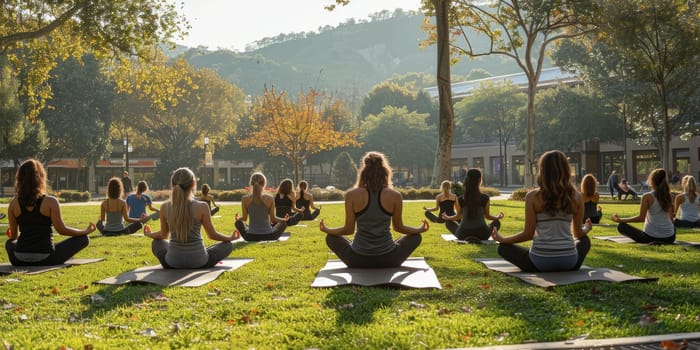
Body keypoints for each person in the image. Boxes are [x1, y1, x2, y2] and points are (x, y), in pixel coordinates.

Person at [320, 151, 429, 268]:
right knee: (416, 237)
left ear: (363, 171)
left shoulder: (351, 195)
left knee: (331, 238)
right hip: (390, 259)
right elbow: (399, 227)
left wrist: (329, 230)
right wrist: (419, 230)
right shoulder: (395, 195)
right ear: (385, 172)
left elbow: (348, 229)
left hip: (357, 260)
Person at [491, 150, 592, 272]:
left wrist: (503, 240)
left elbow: (528, 234)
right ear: (566, 170)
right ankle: (565, 261)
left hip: (539, 262)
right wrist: (586, 228)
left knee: (503, 248)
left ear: (542, 171)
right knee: (585, 241)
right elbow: (578, 234)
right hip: (569, 262)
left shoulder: (532, 197)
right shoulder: (577, 197)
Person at [5, 159, 95, 266]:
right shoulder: (50, 202)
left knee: (9, 243)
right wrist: (84, 232)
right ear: (41, 177)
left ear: (19, 179)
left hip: (19, 259)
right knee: (84, 239)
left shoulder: (13, 204)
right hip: (47, 258)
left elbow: (13, 237)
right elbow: (62, 230)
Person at [144, 168, 238, 268]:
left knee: (156, 243)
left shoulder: (164, 207)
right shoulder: (202, 206)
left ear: (172, 184)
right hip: (200, 261)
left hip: (172, 262)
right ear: (193, 183)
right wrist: (230, 238)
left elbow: (163, 235)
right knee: (227, 245)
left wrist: (150, 234)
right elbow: (212, 235)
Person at [612, 168, 675, 244]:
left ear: (651, 181)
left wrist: (621, 220)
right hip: (670, 238)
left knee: (621, 226)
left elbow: (641, 218)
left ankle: (657, 240)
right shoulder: (669, 196)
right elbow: (671, 220)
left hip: (649, 238)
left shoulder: (647, 196)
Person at [442, 169, 504, 242]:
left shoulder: (461, 199)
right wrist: (497, 217)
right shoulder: (485, 198)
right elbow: (488, 216)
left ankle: (469, 237)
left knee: (448, 222)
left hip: (463, 234)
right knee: (497, 222)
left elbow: (458, 217)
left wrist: (447, 218)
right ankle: (475, 237)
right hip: (482, 234)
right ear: (480, 179)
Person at [235, 172, 288, 241]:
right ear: (264, 184)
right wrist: (284, 220)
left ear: (251, 183)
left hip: (250, 236)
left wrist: (238, 219)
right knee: (283, 223)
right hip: (269, 236)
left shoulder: (245, 199)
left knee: (238, 223)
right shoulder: (270, 198)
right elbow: (273, 219)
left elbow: (244, 218)